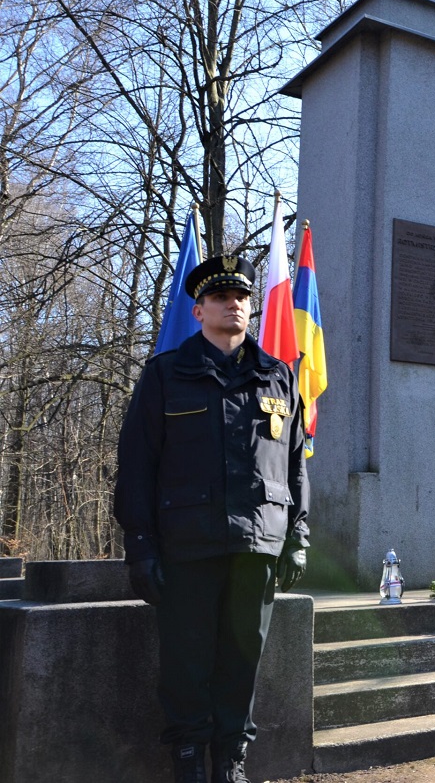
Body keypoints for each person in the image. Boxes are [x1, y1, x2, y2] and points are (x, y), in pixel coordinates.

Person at [114, 254, 310, 783]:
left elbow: (294, 466)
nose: (235, 306)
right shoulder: (165, 375)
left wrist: (298, 537)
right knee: (186, 660)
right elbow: (137, 467)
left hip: (257, 544)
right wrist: (141, 545)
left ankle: (230, 760)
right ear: (199, 311)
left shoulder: (277, 377)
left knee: (242, 661)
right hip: (187, 543)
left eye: (243, 298)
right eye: (222, 298)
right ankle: (187, 760)